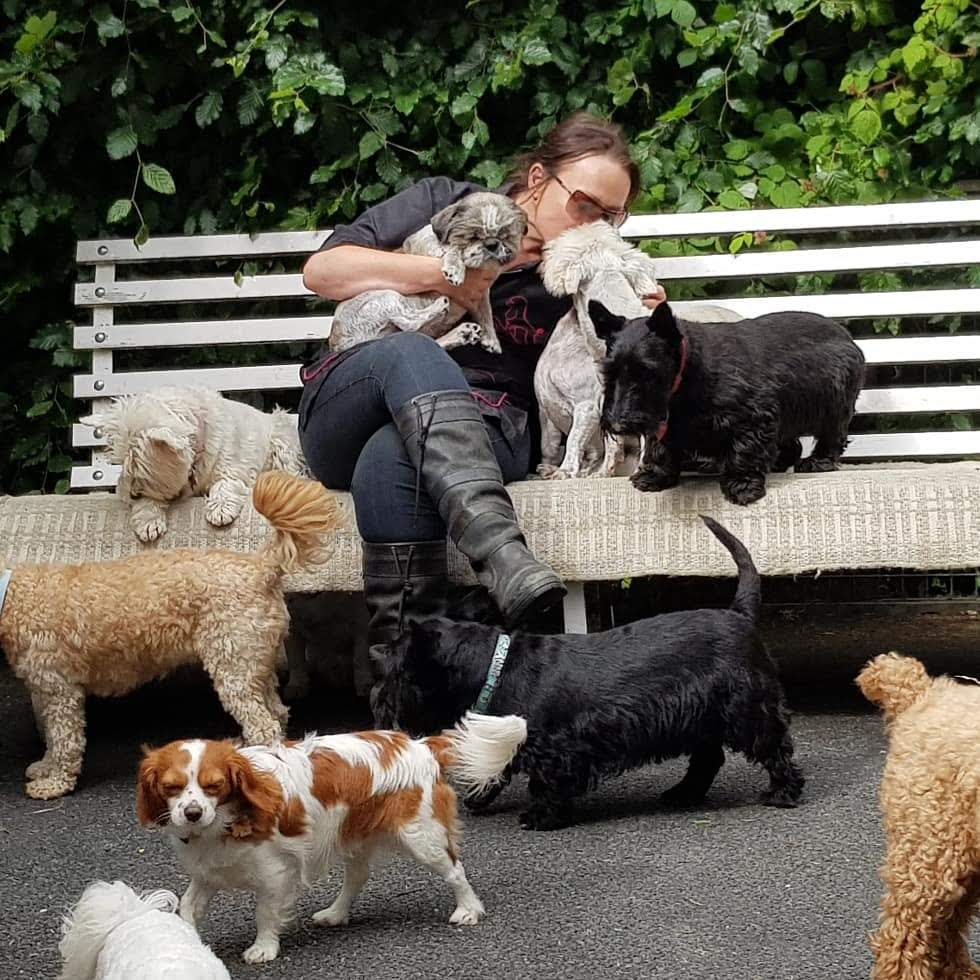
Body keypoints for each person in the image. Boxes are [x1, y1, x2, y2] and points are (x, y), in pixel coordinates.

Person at [300, 112, 665, 657]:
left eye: (614, 217)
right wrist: (447, 276)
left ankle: (403, 677)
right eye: (586, 206)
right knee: (410, 350)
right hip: (355, 394)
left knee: (393, 454)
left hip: (487, 422)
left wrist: (643, 323)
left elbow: (628, 367)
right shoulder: (447, 205)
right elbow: (323, 272)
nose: (597, 226)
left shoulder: (580, 272)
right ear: (539, 180)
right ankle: (500, 551)